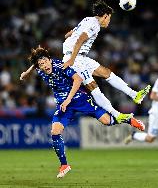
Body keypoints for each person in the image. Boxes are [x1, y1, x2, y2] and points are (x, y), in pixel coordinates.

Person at [20, 46, 145, 178]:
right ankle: (64, 165)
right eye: (41, 64)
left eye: (45, 61)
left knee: (106, 121)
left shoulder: (61, 66)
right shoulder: (41, 70)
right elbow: (35, 64)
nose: (44, 65)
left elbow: (78, 79)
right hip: (64, 106)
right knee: (55, 132)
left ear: (50, 60)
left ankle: (130, 120)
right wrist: (27, 72)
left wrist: (68, 99)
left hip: (80, 99)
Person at [62, 0, 151, 119]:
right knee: (93, 87)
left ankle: (135, 95)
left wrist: (68, 38)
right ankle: (117, 115)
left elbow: (70, 33)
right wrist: (71, 60)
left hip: (81, 57)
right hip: (75, 58)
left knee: (106, 73)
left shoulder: (87, 19)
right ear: (105, 16)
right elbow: (79, 40)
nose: (109, 21)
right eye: (109, 18)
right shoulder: (94, 25)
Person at [124, 78, 158, 144]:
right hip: (156, 113)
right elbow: (152, 96)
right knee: (150, 139)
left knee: (150, 139)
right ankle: (134, 135)